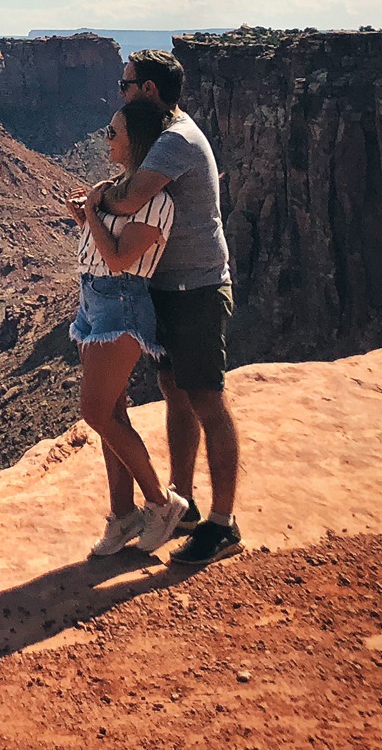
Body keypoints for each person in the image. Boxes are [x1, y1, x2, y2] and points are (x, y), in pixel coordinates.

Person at [92, 49, 243, 567]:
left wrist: (97, 202)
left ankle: (223, 525)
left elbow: (131, 200)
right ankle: (184, 505)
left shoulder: (174, 139)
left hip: (197, 290)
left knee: (206, 400)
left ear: (149, 90)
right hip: (166, 289)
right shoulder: (164, 133)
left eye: (126, 84)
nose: (121, 91)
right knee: (175, 393)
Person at [65, 97, 191, 558]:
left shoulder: (154, 202)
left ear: (137, 141)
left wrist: (94, 214)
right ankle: (122, 517)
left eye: (114, 132)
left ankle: (161, 505)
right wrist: (87, 216)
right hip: (95, 302)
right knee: (111, 416)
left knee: (95, 413)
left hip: (121, 305)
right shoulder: (122, 189)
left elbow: (121, 259)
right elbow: (107, 247)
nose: (106, 139)